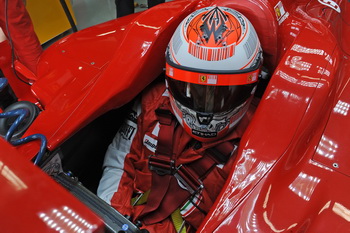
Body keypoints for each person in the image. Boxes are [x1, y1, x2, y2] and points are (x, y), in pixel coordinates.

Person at [98, 6, 263, 233]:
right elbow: (118, 163)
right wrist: (113, 221)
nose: (205, 109)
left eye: (223, 95)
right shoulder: (152, 103)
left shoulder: (259, 136)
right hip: (127, 219)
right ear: (170, 81)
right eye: (193, 91)